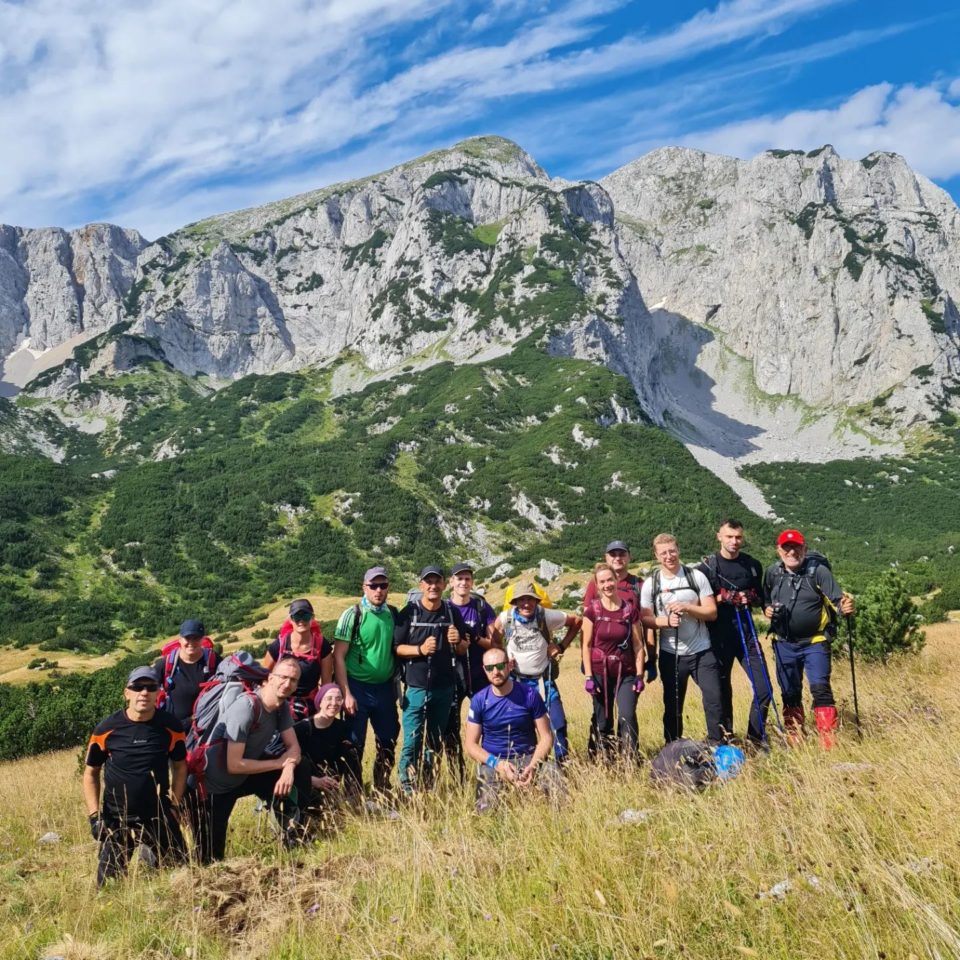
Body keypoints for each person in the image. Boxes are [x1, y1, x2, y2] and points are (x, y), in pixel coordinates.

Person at [83, 666, 187, 887]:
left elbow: (180, 766)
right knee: (108, 888)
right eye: (137, 687)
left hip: (159, 815)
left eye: (151, 687)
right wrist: (95, 817)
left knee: (183, 877)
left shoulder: (170, 726)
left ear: (159, 692)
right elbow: (91, 773)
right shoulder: (106, 729)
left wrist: (175, 805)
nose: (144, 692)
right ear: (126, 693)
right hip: (117, 818)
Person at [200, 657, 312, 861]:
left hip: (245, 777)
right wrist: (279, 763)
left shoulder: (281, 707)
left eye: (293, 680)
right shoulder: (247, 707)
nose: (288, 684)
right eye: (283, 677)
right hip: (216, 786)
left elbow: (294, 747)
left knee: (301, 766)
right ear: (270, 678)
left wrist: (287, 769)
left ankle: (295, 833)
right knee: (210, 857)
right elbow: (233, 765)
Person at [763, 529, 855, 748]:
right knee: (790, 692)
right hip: (784, 642)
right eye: (786, 547)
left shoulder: (819, 572)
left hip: (815, 641)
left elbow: (837, 600)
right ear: (779, 550)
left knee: (820, 688)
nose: (791, 551)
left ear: (804, 548)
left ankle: (828, 739)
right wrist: (767, 610)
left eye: (796, 547)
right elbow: (765, 601)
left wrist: (846, 607)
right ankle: (795, 737)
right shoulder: (772, 573)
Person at [640, 534, 723, 744]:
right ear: (656, 556)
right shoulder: (652, 583)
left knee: (714, 700)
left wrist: (687, 608)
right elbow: (645, 619)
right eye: (663, 553)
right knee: (673, 706)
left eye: (672, 551)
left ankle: (717, 744)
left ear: (678, 550)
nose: (669, 556)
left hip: (702, 651)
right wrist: (666, 622)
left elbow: (712, 612)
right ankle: (673, 748)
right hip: (671, 654)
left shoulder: (696, 577)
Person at [393, 566, 468, 795]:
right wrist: (420, 649)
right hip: (416, 687)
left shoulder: (451, 612)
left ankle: (427, 784)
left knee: (434, 742)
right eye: (428, 582)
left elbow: (465, 646)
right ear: (421, 585)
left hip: (444, 688)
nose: (433, 586)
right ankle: (406, 787)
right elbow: (396, 648)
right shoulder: (409, 612)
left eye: (437, 582)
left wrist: (457, 642)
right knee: (412, 740)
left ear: (444, 585)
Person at [489, 580, 582, 764]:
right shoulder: (506, 618)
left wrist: (561, 646)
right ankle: (532, 767)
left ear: (536, 601)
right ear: (514, 602)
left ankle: (562, 765)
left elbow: (577, 621)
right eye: (521, 600)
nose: (526, 604)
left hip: (543, 681)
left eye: (530, 599)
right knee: (523, 728)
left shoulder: (545, 616)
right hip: (516, 684)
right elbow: (494, 635)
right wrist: (503, 659)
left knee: (558, 724)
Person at [696, 520, 770, 746]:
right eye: (729, 536)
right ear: (719, 536)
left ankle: (755, 739)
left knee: (764, 687)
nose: (734, 541)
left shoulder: (753, 565)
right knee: (721, 692)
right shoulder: (706, 569)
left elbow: (761, 599)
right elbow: (699, 605)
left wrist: (752, 598)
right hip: (717, 638)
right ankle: (726, 739)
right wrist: (723, 597)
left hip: (746, 635)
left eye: (738, 537)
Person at [464, 647, 564, 812]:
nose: (495, 672)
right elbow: (470, 744)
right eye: (489, 668)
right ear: (484, 670)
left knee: (553, 773)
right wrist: (497, 764)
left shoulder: (530, 695)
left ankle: (562, 825)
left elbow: (546, 736)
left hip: (529, 758)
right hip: (494, 762)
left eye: (500, 666)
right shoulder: (479, 700)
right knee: (486, 810)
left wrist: (533, 765)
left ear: (509, 665)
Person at [333, 567, 400, 795]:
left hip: (384, 689)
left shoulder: (393, 613)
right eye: (373, 586)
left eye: (383, 586)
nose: (378, 590)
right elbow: (338, 655)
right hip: (357, 687)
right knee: (353, 742)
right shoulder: (353, 614)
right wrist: (346, 693)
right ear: (364, 587)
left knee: (389, 738)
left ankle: (382, 784)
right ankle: (353, 790)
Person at [581, 562, 645, 761]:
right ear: (597, 585)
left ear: (616, 580)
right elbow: (586, 645)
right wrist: (589, 676)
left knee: (627, 715)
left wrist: (639, 675)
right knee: (603, 720)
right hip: (600, 672)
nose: (607, 584)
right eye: (602, 581)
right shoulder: (592, 611)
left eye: (610, 579)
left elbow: (638, 645)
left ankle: (629, 761)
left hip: (625, 672)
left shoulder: (629, 610)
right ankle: (604, 759)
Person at [442, 562, 499, 782]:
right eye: (459, 579)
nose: (463, 583)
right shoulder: (445, 608)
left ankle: (490, 770)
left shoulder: (481, 607)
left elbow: (495, 644)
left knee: (488, 723)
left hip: (479, 675)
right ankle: (458, 776)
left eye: (467, 579)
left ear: (472, 582)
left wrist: (474, 638)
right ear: (451, 583)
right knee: (451, 728)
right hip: (454, 676)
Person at [583, 540, 656, 681]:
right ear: (606, 557)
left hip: (628, 660)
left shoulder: (638, 585)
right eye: (613, 554)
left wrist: (652, 658)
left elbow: (647, 625)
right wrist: (585, 660)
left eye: (622, 554)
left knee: (628, 701)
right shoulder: (594, 585)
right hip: (600, 661)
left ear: (629, 557)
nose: (617, 558)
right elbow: (586, 624)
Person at [295, 684, 362, 827]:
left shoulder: (342, 728)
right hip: (306, 783)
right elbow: (291, 764)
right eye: (329, 698)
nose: (334, 703)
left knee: (352, 752)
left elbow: (350, 763)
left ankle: (353, 800)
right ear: (320, 702)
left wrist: (348, 791)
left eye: (338, 699)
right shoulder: (302, 729)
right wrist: (313, 781)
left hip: (330, 785)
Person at [263, 599, 333, 721]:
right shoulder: (279, 645)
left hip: (310, 709)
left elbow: (326, 684)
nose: (301, 621)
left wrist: (324, 712)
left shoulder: (322, 646)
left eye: (305, 616)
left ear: (312, 618)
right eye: (297, 616)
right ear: (290, 619)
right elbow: (262, 677)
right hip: (279, 707)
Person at [153, 618, 218, 724]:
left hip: (205, 726)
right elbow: (147, 687)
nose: (191, 643)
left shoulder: (213, 660)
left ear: (202, 639)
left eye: (196, 638)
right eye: (187, 638)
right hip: (174, 727)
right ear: (180, 640)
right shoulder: (167, 663)